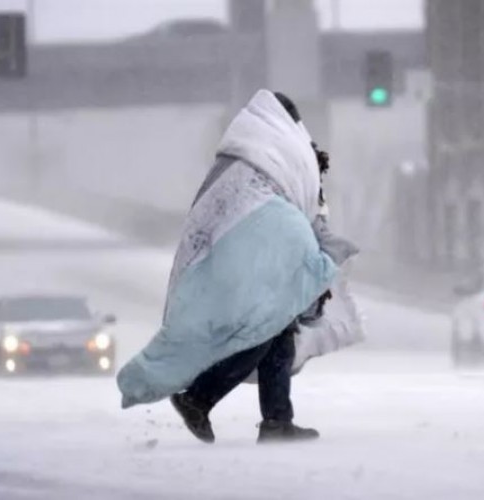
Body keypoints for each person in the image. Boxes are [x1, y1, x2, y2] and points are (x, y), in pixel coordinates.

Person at [117, 89, 358, 444]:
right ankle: (199, 398)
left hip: (233, 253)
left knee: (277, 331)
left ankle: (277, 420)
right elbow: (298, 199)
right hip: (250, 252)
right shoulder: (279, 150)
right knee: (262, 330)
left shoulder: (239, 156)